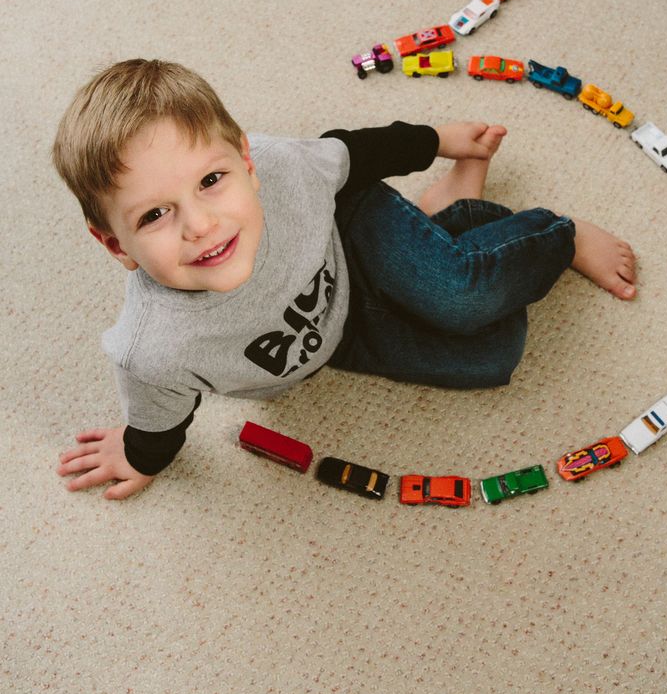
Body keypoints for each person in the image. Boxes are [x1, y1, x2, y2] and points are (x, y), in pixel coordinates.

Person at [53, 58, 636, 500]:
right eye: (154, 215)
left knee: (464, 296)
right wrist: (142, 456)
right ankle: (447, 217)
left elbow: (356, 153)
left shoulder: (283, 167)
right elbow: (159, 418)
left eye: (211, 181)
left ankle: (559, 235)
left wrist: (437, 140)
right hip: (337, 332)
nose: (200, 225)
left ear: (248, 164)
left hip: (353, 232)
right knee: (491, 356)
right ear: (115, 246)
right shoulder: (151, 349)